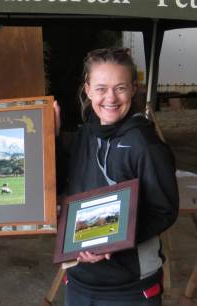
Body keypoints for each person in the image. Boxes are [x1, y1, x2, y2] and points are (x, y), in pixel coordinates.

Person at [61, 47, 179, 306]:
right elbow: (52, 188)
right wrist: (48, 138)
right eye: (101, 88)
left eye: (120, 87)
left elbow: (164, 210)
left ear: (133, 89)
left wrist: (110, 243)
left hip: (129, 288)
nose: (111, 98)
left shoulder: (145, 144)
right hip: (79, 280)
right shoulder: (82, 137)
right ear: (88, 89)